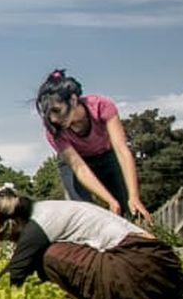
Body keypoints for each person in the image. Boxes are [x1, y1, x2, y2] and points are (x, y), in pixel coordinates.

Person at [0, 183, 183, 299]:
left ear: (12, 222)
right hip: (152, 264)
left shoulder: (38, 225)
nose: (12, 240)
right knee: (50, 256)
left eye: (8, 236)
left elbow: (15, 272)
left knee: (49, 257)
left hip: (140, 266)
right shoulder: (47, 210)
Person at [35, 69, 149, 220]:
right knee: (85, 212)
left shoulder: (101, 106)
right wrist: (109, 201)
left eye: (57, 110)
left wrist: (134, 196)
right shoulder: (54, 131)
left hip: (106, 155)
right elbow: (80, 168)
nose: (54, 119)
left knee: (126, 208)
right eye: (48, 113)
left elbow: (122, 151)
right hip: (75, 164)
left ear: (73, 100)